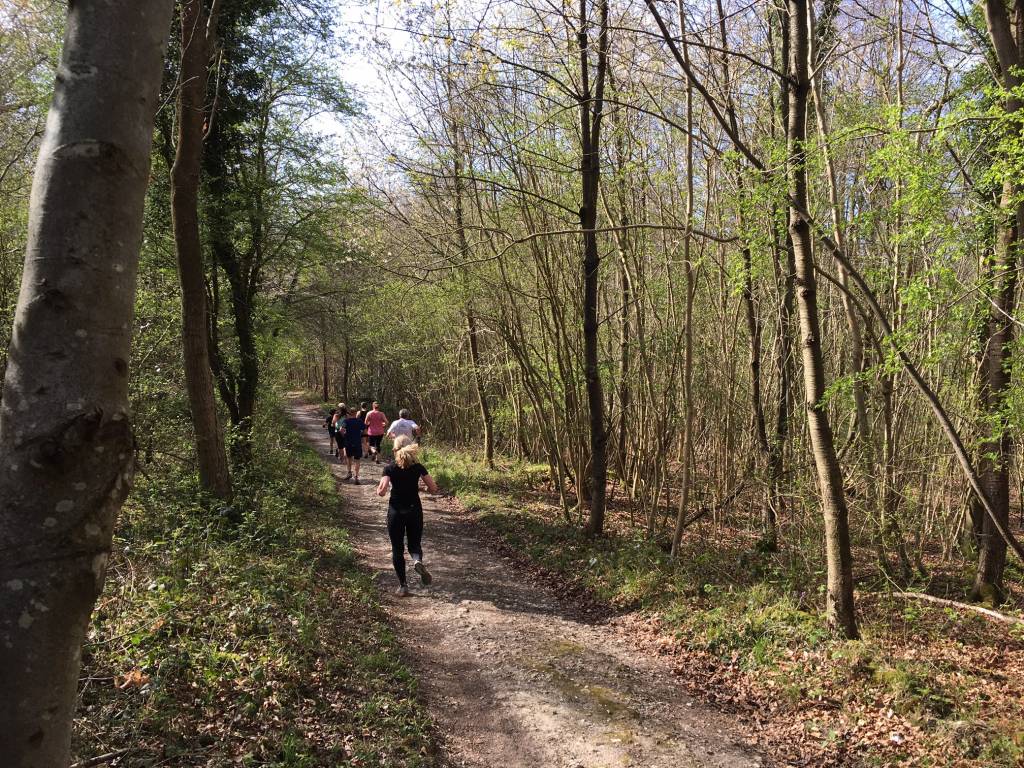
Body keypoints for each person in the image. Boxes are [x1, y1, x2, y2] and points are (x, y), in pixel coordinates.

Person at [376, 435, 439, 596]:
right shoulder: (418, 467)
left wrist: (380, 488)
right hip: (414, 510)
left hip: (396, 512)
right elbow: (433, 488)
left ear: (395, 449)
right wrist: (422, 488)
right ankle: (417, 560)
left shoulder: (389, 468)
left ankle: (403, 586)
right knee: (414, 543)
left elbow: (382, 492)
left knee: (397, 548)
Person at [340, 405, 366, 482]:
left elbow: (341, 430)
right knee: (357, 460)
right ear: (355, 413)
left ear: (350, 413)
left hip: (348, 442)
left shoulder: (346, 421)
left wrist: (344, 435)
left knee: (349, 458)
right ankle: (356, 477)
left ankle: (349, 473)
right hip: (357, 443)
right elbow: (365, 431)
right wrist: (360, 434)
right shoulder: (359, 421)